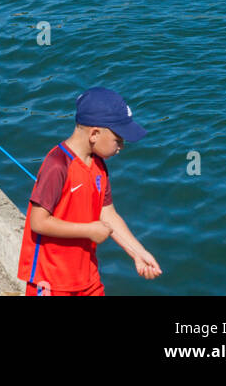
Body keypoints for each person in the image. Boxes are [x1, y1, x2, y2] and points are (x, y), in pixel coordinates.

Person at [18, 87, 162, 297]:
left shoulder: (99, 166)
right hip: (51, 281)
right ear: (94, 133)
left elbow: (107, 213)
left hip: (87, 277)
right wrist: (88, 230)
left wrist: (138, 252)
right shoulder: (57, 165)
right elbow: (38, 222)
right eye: (118, 139)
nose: (121, 146)